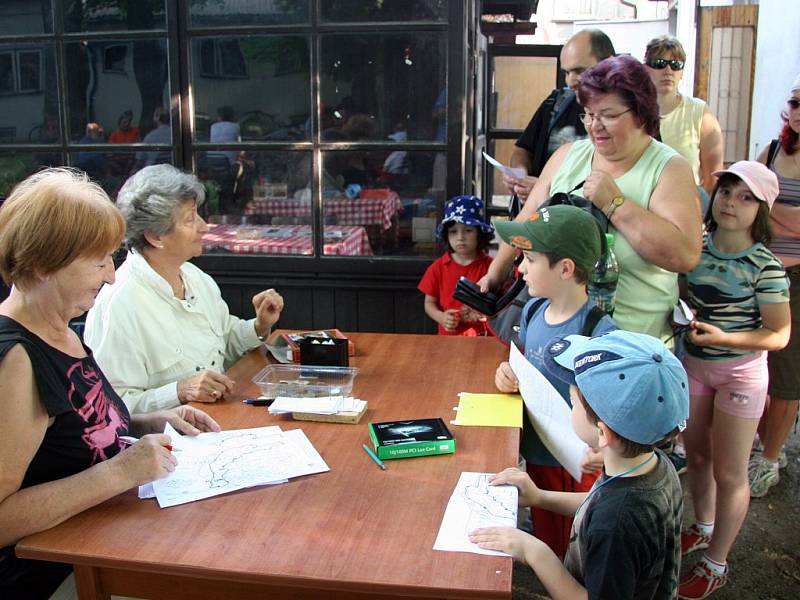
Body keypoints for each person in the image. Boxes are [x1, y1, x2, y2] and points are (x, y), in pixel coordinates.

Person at [0, 168, 220, 599]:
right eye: (99, 260)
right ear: (45, 264)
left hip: (103, 542)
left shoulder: (62, 332)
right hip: (54, 576)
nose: (111, 276)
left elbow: (69, 433)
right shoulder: (16, 361)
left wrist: (146, 422)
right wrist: (118, 472)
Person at [481, 55, 702, 341]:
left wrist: (615, 204)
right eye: (588, 114)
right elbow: (527, 221)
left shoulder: (668, 168)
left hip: (630, 347)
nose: (594, 125)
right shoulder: (567, 156)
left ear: (640, 113)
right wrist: (494, 273)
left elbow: (684, 255)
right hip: (554, 337)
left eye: (608, 115)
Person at [469, 330, 688, 599]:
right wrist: (540, 497)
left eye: (572, 401)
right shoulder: (652, 464)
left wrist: (535, 552)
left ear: (603, 434)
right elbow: (597, 502)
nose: (570, 405)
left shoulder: (616, 524)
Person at [84, 164, 284, 414]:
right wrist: (179, 391)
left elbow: (224, 340)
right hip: (168, 445)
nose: (204, 226)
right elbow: (111, 408)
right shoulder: (119, 305)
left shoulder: (194, 277)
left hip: (223, 421)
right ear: (155, 236)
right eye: (190, 219)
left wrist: (259, 325)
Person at [678, 161, 790, 599]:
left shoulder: (766, 265)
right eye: (727, 191)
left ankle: (716, 563)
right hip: (694, 364)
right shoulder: (695, 248)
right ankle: (702, 527)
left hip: (741, 374)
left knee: (730, 471)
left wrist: (725, 337)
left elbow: (779, 334)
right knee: (697, 457)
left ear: (762, 210)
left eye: (746, 198)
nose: (731, 203)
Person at [492, 205, 617, 559]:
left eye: (530, 260)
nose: (519, 269)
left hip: (573, 463)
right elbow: (525, 367)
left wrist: (604, 446)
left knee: (570, 547)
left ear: (565, 269)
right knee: (547, 528)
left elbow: (614, 406)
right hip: (534, 448)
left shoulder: (599, 332)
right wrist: (508, 376)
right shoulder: (532, 310)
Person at [751, 74, 800, 498]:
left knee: (787, 376)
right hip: (761, 270)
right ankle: (763, 448)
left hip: (797, 280)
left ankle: (769, 460)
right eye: (796, 102)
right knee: (757, 370)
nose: (799, 112)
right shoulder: (771, 151)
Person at [504, 29, 616, 199]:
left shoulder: (635, 118)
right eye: (566, 72)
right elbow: (523, 149)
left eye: (580, 71)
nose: (571, 81)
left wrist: (548, 189)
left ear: (609, 63)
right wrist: (520, 176)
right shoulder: (556, 103)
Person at [644, 35, 723, 204]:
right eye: (660, 64)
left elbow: (713, 177)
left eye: (676, 65)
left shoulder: (700, 112)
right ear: (646, 69)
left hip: (685, 208)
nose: (668, 71)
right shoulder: (632, 111)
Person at [418, 195, 493, 335]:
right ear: (446, 235)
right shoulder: (438, 268)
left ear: (480, 233)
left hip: (484, 339)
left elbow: (501, 304)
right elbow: (429, 303)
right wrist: (441, 317)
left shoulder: (491, 267)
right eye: (453, 232)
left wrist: (487, 314)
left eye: (468, 230)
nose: (460, 237)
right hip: (448, 341)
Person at [107, 109, 141, 177]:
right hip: (117, 161)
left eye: (129, 122)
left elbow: (138, 147)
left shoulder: (135, 131)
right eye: (125, 122)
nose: (127, 124)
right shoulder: (114, 135)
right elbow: (109, 153)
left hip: (131, 159)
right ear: (120, 122)